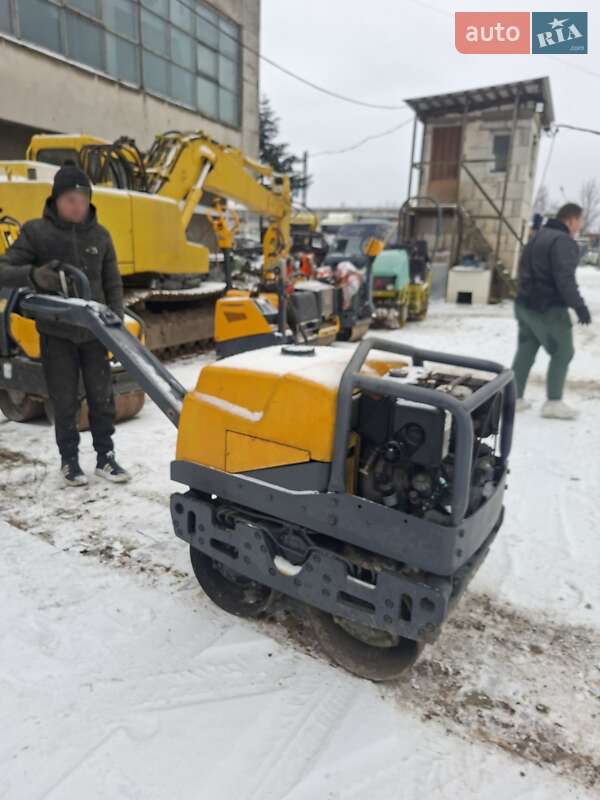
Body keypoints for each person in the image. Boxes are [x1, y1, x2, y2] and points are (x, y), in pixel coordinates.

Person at [0, 162, 130, 485]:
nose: (77, 206)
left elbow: (112, 284)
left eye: (83, 199)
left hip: (95, 331)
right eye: (70, 199)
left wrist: (116, 326)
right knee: (64, 397)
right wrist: (32, 275)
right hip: (56, 332)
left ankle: (106, 457)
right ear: (56, 200)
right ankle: (69, 461)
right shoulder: (37, 232)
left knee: (101, 397)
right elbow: (3, 269)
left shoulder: (101, 236)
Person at [512, 202, 592, 420]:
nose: (580, 225)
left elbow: (522, 268)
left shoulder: (537, 236)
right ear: (571, 219)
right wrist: (580, 307)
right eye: (580, 220)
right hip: (548, 308)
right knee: (563, 352)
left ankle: (514, 398)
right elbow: (565, 280)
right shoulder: (563, 241)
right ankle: (553, 402)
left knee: (526, 349)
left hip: (524, 304)